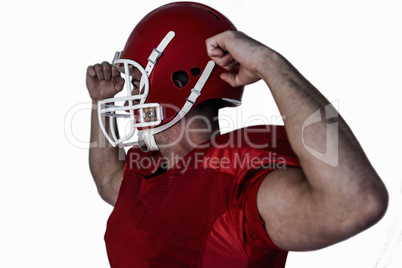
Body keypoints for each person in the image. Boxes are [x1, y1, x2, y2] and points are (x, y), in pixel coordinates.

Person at [86, 2, 388, 267]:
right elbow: (107, 181)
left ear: (178, 79)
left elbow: (356, 202)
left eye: (136, 82)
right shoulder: (146, 166)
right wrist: (98, 101)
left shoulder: (232, 180)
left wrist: (269, 63)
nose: (130, 96)